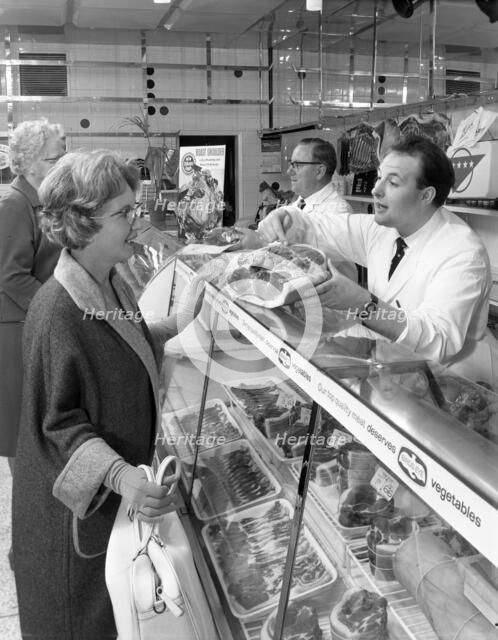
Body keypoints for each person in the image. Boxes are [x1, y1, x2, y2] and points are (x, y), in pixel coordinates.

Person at [12, 150, 182, 639]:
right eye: (124, 213)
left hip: (107, 508)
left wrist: (180, 325)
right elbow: (56, 424)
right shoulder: (56, 312)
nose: (138, 221)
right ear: (80, 222)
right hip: (70, 525)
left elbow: (125, 341)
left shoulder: (110, 281)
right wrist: (124, 477)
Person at [258, 135, 495, 384]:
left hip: (453, 383)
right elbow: (319, 227)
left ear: (426, 195)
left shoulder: (462, 253)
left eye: (392, 183)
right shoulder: (382, 229)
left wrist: (364, 305)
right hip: (394, 370)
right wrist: (285, 216)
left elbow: (438, 340)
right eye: (379, 177)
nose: (376, 189)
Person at [0, 118, 65, 570]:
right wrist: (52, 311)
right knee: (23, 441)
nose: (62, 163)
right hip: (14, 331)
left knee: (31, 437)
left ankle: (33, 533)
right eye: (55, 157)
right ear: (27, 161)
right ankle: (27, 544)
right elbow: (10, 275)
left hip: (25, 324)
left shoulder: (38, 199)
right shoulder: (13, 203)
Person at [279, 137, 357, 281]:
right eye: (291, 164)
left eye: (297, 165)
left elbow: (316, 263)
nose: (289, 171)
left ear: (319, 171)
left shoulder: (338, 211)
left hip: (328, 300)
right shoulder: (298, 204)